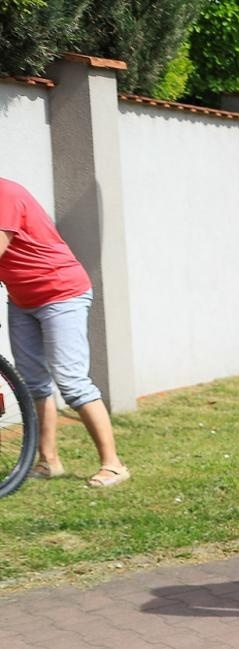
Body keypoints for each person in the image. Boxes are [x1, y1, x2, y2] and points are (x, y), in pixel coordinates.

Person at [0, 177, 129, 487]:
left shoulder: (5, 194)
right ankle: (49, 461)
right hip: (22, 298)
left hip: (61, 292)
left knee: (72, 382)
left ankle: (114, 464)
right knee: (33, 383)